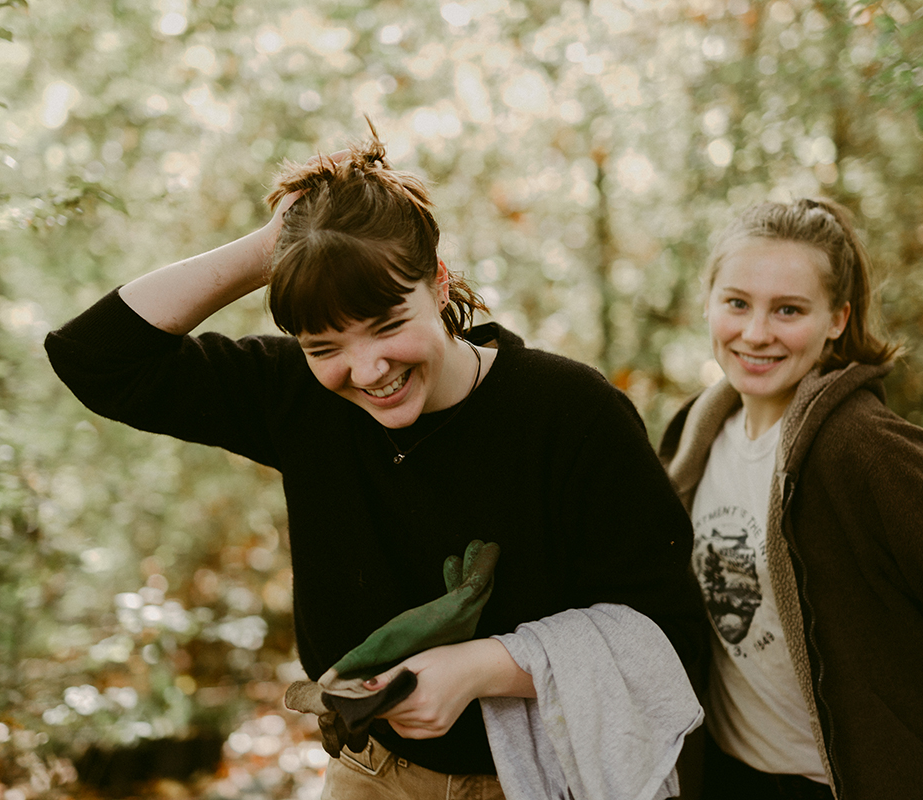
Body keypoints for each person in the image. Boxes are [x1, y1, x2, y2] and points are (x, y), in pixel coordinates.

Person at [46, 130, 705, 798]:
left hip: (537, 777)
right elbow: (95, 358)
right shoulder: (294, 398)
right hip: (367, 774)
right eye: (324, 344)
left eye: (390, 325)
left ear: (439, 281)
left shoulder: (571, 413)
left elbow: (668, 641)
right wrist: (272, 248)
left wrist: (483, 667)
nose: (369, 371)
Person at [658, 197, 923, 800]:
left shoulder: (867, 451)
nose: (756, 333)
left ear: (837, 318)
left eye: (788, 310)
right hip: (731, 777)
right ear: (708, 302)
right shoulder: (695, 436)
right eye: (737, 303)